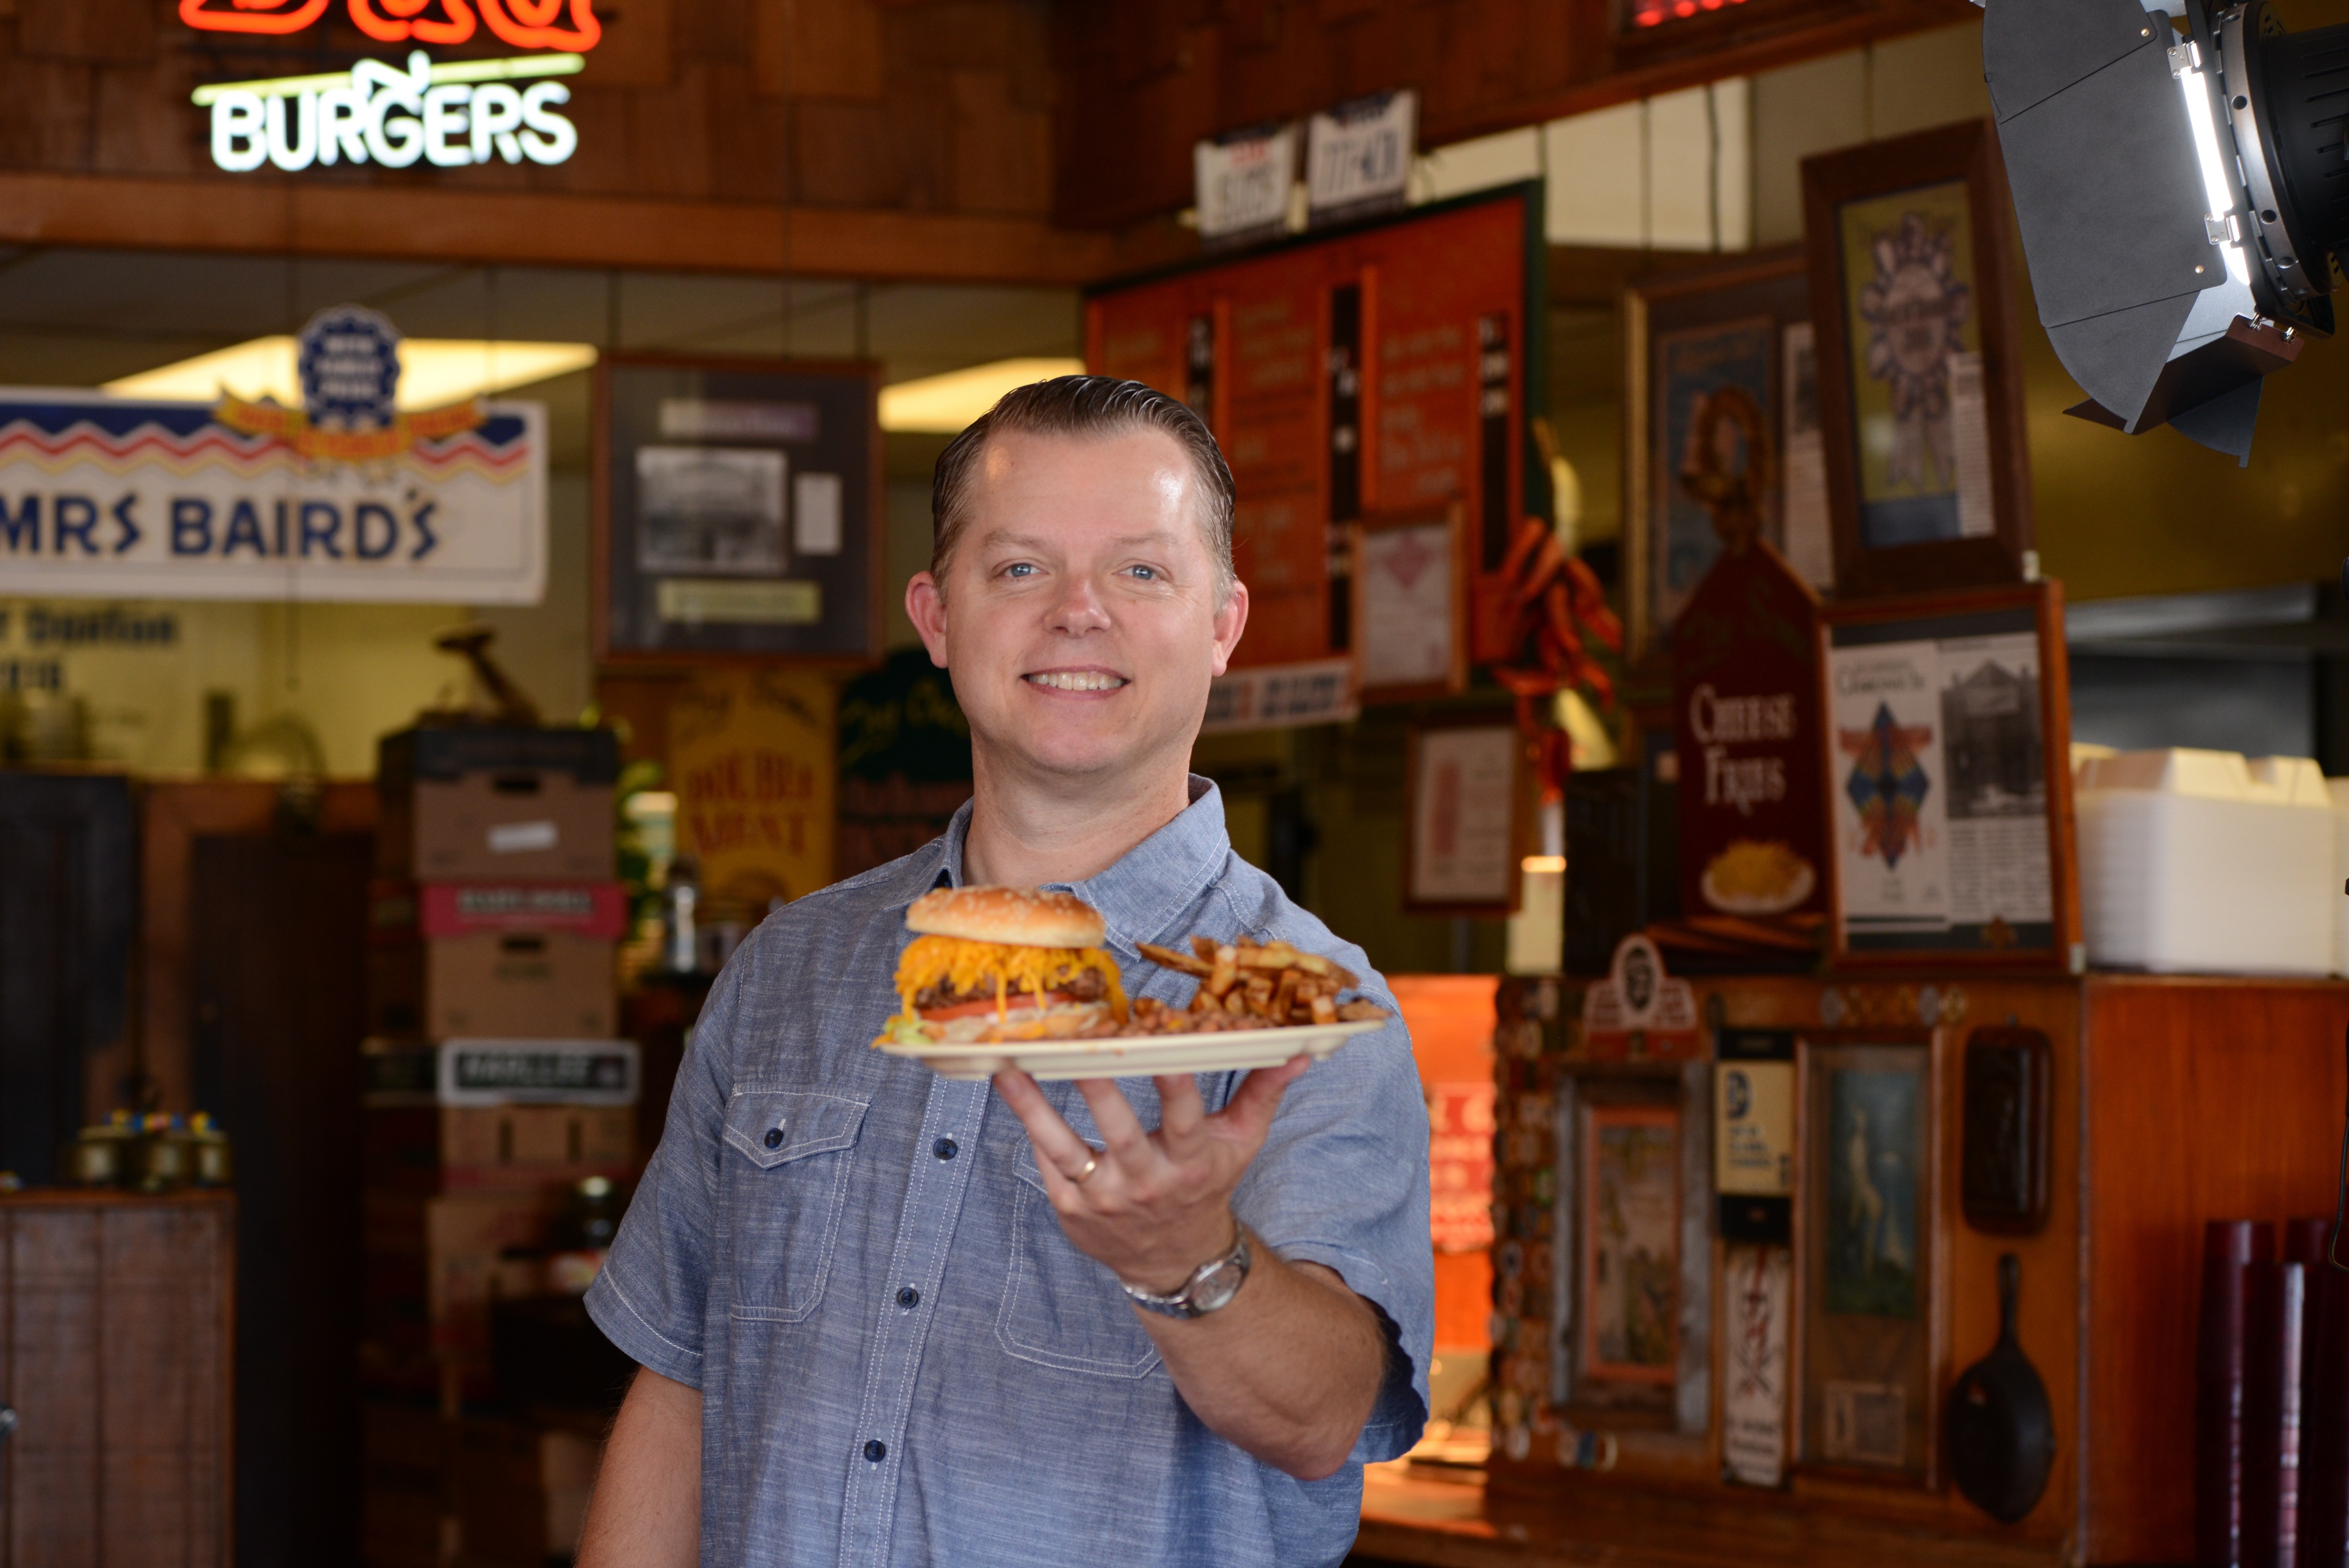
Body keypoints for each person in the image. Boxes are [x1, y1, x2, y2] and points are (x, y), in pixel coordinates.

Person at [577, 376, 1433, 1568]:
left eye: (1140, 571)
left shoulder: (1307, 1010)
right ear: (936, 618)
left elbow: (1323, 1416)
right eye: (1020, 568)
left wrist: (1190, 1260)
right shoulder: (790, 971)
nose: (1077, 614)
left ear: (1224, 622)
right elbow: (680, 1377)